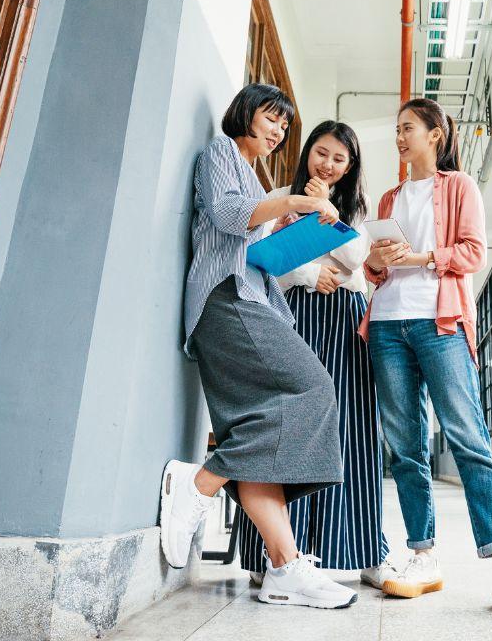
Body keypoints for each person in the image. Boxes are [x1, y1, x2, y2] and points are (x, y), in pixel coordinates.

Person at [160, 84, 356, 610]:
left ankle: (284, 568)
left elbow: (259, 251)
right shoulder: (221, 153)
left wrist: (304, 228)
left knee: (259, 437)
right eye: (272, 119)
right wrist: (297, 201)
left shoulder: (255, 177)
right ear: (245, 112)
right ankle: (199, 483)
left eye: (284, 127)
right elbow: (227, 217)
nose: (278, 132)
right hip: (226, 300)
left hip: (250, 301)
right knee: (313, 389)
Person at [359, 97, 492, 611]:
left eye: (409, 128)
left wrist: (421, 257)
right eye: (397, 130)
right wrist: (377, 263)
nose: (400, 138)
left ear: (435, 135)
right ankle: (423, 557)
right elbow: (375, 274)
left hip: (441, 322)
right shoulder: (387, 199)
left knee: (469, 438)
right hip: (386, 326)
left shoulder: (459, 187)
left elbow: (471, 252)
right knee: (404, 447)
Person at [234, 120, 398, 591]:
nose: (327, 164)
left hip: (345, 323)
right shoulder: (281, 195)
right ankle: (278, 553)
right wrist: (308, 273)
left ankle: (363, 549)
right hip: (290, 316)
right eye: (321, 153)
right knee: (287, 426)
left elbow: (356, 261)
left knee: (351, 428)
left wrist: (325, 208)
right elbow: (259, 260)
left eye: (338, 159)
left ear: (350, 167)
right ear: (308, 151)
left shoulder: (356, 208)